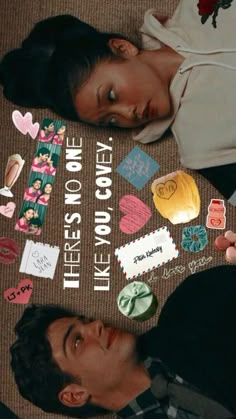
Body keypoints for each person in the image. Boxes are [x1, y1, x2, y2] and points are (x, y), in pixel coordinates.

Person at [1, 1, 236, 201]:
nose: (127, 114)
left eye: (111, 95)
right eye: (111, 120)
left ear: (122, 48)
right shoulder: (200, 148)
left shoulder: (196, 8)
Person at [10, 265, 236, 418]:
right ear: (75, 395)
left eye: (86, 321)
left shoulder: (194, 302)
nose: (96, 325)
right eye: (77, 341)